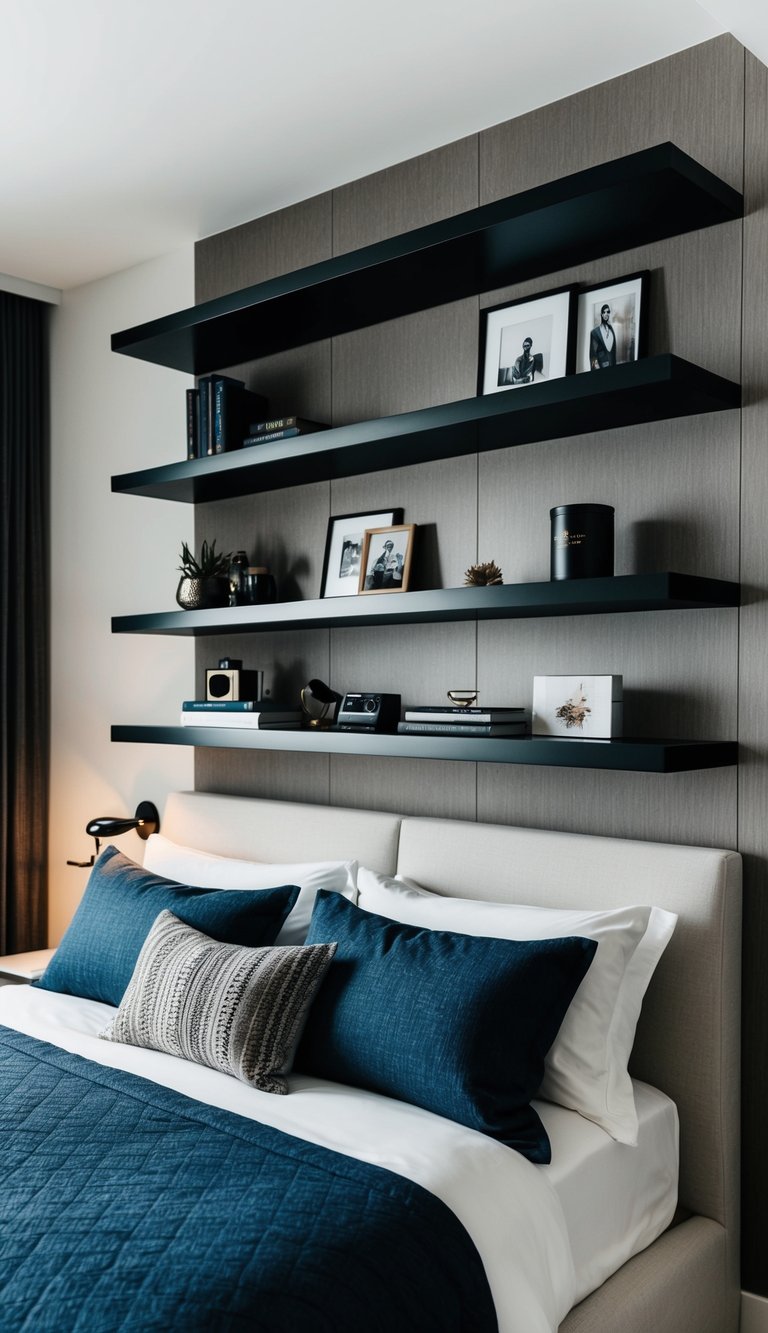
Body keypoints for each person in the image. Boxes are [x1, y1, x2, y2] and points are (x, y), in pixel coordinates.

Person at [589, 303, 617, 370]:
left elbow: (613, 351)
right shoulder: (595, 332)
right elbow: (593, 355)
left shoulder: (611, 330)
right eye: (604, 312)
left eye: (608, 312)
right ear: (601, 314)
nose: (606, 314)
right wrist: (596, 371)